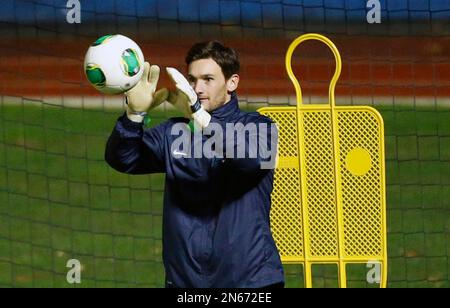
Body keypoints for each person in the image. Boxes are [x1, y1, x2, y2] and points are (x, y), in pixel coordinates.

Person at [105, 41, 284, 288]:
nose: (197, 88)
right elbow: (122, 159)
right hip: (186, 282)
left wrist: (200, 117)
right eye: (192, 79)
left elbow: (249, 159)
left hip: (249, 281)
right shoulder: (173, 132)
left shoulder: (259, 127)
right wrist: (134, 116)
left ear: (232, 82)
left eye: (208, 79)